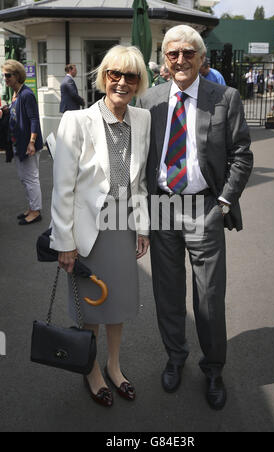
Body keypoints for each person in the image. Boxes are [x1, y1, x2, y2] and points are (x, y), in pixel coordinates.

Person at [137, 25, 253, 411]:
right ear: (165, 60)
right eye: (173, 54)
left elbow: (241, 154)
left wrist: (223, 202)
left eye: (189, 53)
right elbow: (138, 157)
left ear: (202, 59)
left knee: (208, 299)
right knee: (167, 294)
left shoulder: (225, 97)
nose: (181, 60)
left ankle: (214, 368)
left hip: (205, 206)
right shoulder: (149, 99)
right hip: (162, 205)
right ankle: (175, 357)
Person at [50, 45, 151, 407]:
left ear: (139, 82)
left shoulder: (142, 119)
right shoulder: (76, 121)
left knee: (119, 303)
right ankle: (91, 370)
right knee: (91, 306)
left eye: (131, 76)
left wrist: (143, 227)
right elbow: (63, 188)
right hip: (87, 232)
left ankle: (114, 366)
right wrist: (64, 241)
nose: (122, 82)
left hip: (123, 227)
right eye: (115, 74)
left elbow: (138, 183)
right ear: (103, 76)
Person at [1, 60, 43, 225]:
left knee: (31, 178)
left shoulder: (27, 94)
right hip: (18, 143)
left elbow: (34, 119)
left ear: (17, 75)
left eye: (8, 75)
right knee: (24, 177)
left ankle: (36, 211)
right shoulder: (16, 93)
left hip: (27, 144)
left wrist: (32, 142)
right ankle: (32, 207)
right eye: (4, 75)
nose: (5, 79)